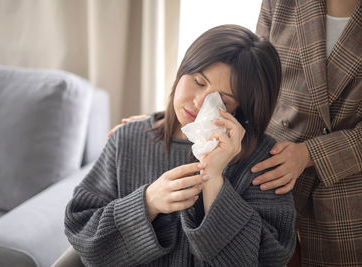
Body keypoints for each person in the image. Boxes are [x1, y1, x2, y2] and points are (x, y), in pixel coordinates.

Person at [64, 24, 296, 266]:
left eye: (222, 101)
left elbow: (268, 260)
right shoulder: (127, 139)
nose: (198, 102)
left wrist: (214, 182)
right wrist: (147, 203)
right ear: (182, 69)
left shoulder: (265, 163)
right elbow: (83, 234)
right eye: (198, 81)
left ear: (242, 110)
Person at [252, 0, 362, 265]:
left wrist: (309, 154)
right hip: (269, 178)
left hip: (347, 196)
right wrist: (175, 119)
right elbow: (252, 79)